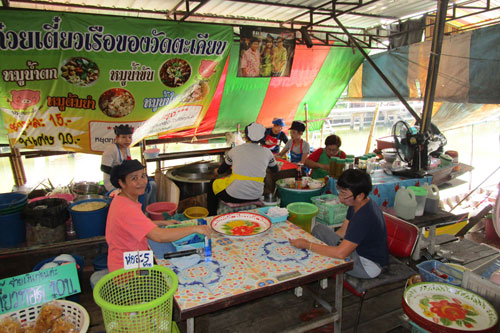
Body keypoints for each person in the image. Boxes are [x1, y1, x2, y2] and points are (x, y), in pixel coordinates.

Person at [106, 159, 211, 272]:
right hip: (127, 271)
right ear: (122, 183)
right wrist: (195, 228)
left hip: (129, 260)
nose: (141, 182)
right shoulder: (127, 209)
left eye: (143, 176)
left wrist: (162, 222)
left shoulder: (122, 200)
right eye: (134, 178)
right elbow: (159, 236)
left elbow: (137, 225)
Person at [289, 169, 389, 278]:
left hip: (367, 266)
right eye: (340, 191)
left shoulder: (364, 217)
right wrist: (323, 246)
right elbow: (342, 232)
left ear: (360, 195)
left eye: (344, 193)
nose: (340, 197)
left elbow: (341, 253)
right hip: (357, 252)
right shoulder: (356, 204)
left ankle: (312, 273)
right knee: (319, 229)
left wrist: (308, 245)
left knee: (326, 253)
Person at [207, 122, 279, 216]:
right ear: (263, 137)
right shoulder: (267, 152)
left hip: (233, 196)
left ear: (246, 136)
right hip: (255, 195)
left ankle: (211, 216)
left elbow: (221, 170)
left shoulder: (235, 150)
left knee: (212, 184)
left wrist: (215, 171)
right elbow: (275, 170)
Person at [101, 124, 133, 192]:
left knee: (150, 185)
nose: (127, 140)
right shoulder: (111, 148)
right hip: (112, 183)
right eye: (124, 137)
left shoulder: (127, 148)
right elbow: (104, 167)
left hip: (124, 181)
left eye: (130, 137)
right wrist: (119, 174)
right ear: (117, 138)